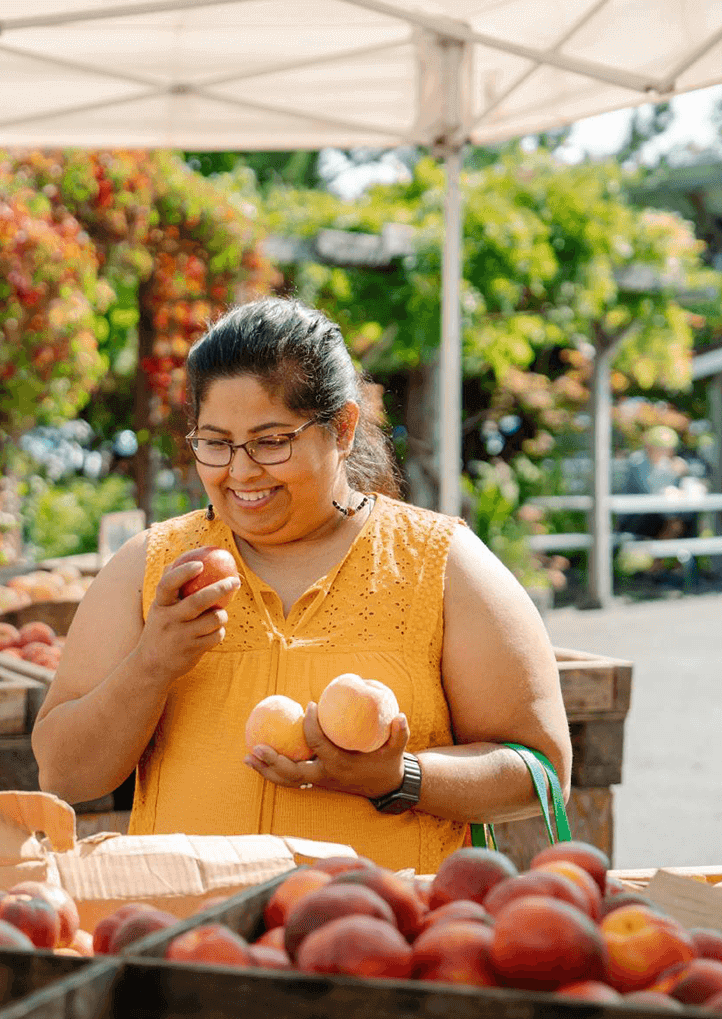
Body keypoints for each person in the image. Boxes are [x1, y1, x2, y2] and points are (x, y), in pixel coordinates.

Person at [31, 297, 571, 873]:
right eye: (215, 443)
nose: (240, 472)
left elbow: (541, 771)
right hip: (192, 940)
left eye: (270, 442)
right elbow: (64, 774)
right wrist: (151, 663)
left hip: (377, 936)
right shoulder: (152, 566)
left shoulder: (441, 563)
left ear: (341, 427)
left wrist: (400, 777)